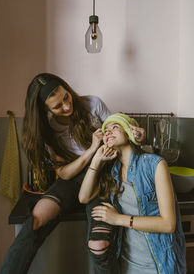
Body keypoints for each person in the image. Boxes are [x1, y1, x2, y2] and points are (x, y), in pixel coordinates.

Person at [0, 74, 145, 274]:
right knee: (36, 220)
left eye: (66, 97)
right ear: (46, 110)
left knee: (99, 244)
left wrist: (132, 132)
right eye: (57, 106)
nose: (66, 106)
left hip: (103, 175)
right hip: (73, 179)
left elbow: (117, 127)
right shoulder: (47, 129)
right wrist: (91, 150)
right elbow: (65, 174)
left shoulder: (92, 104)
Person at [79, 113, 187, 274]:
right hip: (126, 265)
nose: (108, 132)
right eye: (105, 130)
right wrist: (96, 160)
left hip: (159, 266)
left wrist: (117, 219)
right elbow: (84, 197)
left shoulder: (155, 164)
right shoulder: (113, 172)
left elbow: (168, 224)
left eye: (114, 127)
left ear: (130, 134)